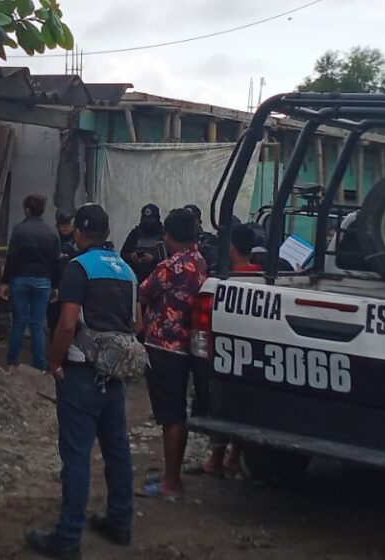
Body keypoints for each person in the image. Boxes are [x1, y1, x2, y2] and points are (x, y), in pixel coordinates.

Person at [27, 204, 137, 559]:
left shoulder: (77, 268)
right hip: (114, 374)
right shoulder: (127, 270)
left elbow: (67, 324)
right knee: (117, 451)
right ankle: (120, 523)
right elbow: (137, 322)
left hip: (80, 373)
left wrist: (54, 363)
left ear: (77, 233)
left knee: (76, 456)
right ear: (107, 232)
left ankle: (68, 538)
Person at [137, 208, 208, 500]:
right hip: (186, 345)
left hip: (164, 345)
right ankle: (171, 474)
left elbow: (144, 292)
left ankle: (171, 483)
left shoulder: (172, 265)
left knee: (170, 415)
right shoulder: (199, 260)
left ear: (169, 234)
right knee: (177, 412)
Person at [195, 223, 261, 479]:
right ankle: (234, 457)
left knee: (221, 403)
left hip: (226, 353)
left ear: (231, 247)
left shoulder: (228, 281)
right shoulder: (261, 274)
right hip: (253, 353)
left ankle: (215, 460)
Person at [1, 194, 61, 370]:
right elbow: (55, 262)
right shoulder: (51, 232)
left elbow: (11, 258)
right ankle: (40, 365)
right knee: (37, 324)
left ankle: (12, 362)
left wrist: (6, 283)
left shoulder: (19, 230)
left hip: (20, 279)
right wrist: (55, 286)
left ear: (27, 210)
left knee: (19, 322)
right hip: (43, 281)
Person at [119, 203, 166, 284]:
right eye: (146, 219)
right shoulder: (136, 233)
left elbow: (168, 258)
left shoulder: (163, 235)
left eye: (151, 220)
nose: (148, 223)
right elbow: (123, 254)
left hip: (157, 279)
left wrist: (152, 259)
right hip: (137, 277)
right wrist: (132, 257)